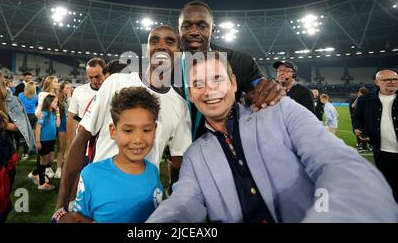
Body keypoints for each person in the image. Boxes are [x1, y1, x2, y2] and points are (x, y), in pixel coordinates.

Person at [147, 52, 398, 223]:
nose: (209, 90)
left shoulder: (281, 111)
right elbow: (183, 202)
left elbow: (340, 166)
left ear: (234, 83)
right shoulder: (194, 154)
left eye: (217, 79)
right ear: (190, 94)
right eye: (198, 84)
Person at [55, 26, 191, 215]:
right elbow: (81, 138)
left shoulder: (180, 106)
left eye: (170, 41)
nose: (161, 46)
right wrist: (60, 206)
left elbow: (178, 162)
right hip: (96, 196)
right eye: (154, 41)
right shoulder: (115, 82)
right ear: (146, 50)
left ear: (180, 52)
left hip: (144, 205)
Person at [178, 1, 284, 141]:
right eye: (186, 26)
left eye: (202, 26)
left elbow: (261, 89)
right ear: (178, 30)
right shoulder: (166, 68)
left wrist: (269, 90)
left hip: (222, 148)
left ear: (212, 30)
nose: (193, 32)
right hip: (175, 154)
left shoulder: (240, 62)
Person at [56, 87, 163, 223]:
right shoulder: (91, 175)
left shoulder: (153, 171)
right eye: (128, 130)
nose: (138, 140)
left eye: (146, 130)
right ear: (113, 131)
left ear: (155, 130)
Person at [352, 70, 398, 202]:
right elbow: (357, 117)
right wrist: (358, 129)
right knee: (388, 184)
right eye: (387, 79)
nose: (392, 82)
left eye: (395, 79)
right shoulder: (365, 100)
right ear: (377, 82)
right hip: (382, 150)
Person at [65, 58, 105, 156]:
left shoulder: (112, 91)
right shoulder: (79, 91)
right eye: (90, 77)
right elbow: (73, 116)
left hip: (105, 146)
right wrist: (71, 142)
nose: (94, 80)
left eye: (97, 76)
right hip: (84, 146)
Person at [28, 94, 60, 190]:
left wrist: (58, 113)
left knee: (49, 160)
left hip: (51, 140)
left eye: (57, 102)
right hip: (43, 140)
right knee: (43, 162)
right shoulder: (44, 113)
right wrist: (38, 141)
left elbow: (58, 125)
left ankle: (34, 174)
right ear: (49, 102)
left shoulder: (53, 113)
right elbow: (38, 127)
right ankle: (42, 184)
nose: (56, 103)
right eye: (54, 102)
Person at [55, 81, 72, 179]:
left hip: (71, 126)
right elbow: (57, 113)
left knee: (69, 148)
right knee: (61, 147)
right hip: (62, 125)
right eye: (67, 88)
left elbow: (75, 113)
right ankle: (58, 168)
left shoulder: (72, 99)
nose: (69, 90)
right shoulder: (58, 100)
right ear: (62, 89)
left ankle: (66, 169)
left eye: (70, 88)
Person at [18, 81, 39, 160]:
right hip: (33, 116)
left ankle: (23, 152)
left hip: (24, 115)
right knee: (30, 135)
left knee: (23, 135)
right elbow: (37, 104)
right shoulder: (35, 96)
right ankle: (27, 152)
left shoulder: (20, 95)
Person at [349, 87, 370, 151]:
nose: (358, 93)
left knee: (363, 132)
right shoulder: (358, 99)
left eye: (359, 92)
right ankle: (363, 145)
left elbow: (353, 106)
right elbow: (352, 106)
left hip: (364, 118)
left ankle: (365, 147)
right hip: (359, 118)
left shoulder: (367, 99)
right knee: (360, 132)